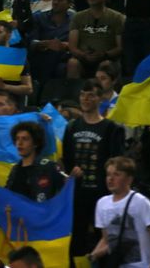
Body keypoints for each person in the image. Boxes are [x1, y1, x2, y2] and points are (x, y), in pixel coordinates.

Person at [63, 81, 126, 257]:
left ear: (100, 98)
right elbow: (67, 159)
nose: (86, 98)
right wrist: (71, 170)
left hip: (103, 193)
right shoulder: (72, 127)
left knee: (106, 240)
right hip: (78, 193)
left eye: (91, 95)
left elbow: (117, 160)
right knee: (77, 240)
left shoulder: (112, 129)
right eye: (83, 94)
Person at [89, 157, 150, 268]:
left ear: (129, 179)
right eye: (108, 174)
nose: (110, 179)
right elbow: (108, 241)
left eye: (116, 174)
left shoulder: (141, 202)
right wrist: (92, 256)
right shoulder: (102, 203)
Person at [6, 121, 66, 202]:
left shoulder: (49, 167)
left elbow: (63, 193)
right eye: (17, 139)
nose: (19, 143)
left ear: (36, 143)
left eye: (25, 139)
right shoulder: (15, 170)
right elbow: (6, 196)